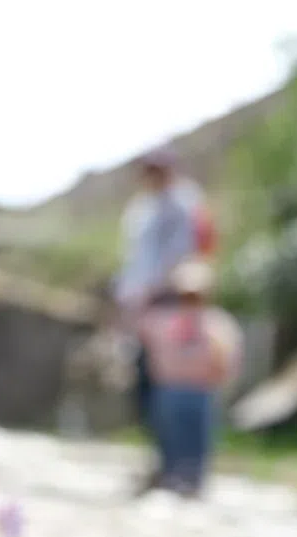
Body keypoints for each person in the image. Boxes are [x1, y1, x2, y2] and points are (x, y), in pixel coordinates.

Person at [114, 147, 216, 485]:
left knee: (174, 383)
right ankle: (162, 461)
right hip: (142, 308)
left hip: (170, 304)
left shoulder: (184, 203)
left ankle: (182, 466)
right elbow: (136, 261)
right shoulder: (142, 209)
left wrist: (165, 293)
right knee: (146, 385)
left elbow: (186, 255)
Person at [137, 259, 242, 499]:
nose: (190, 299)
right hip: (168, 390)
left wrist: (223, 379)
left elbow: (229, 357)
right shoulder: (162, 320)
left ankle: (193, 483)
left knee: (197, 439)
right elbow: (142, 333)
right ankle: (169, 476)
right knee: (168, 436)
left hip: (201, 390)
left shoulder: (217, 323)